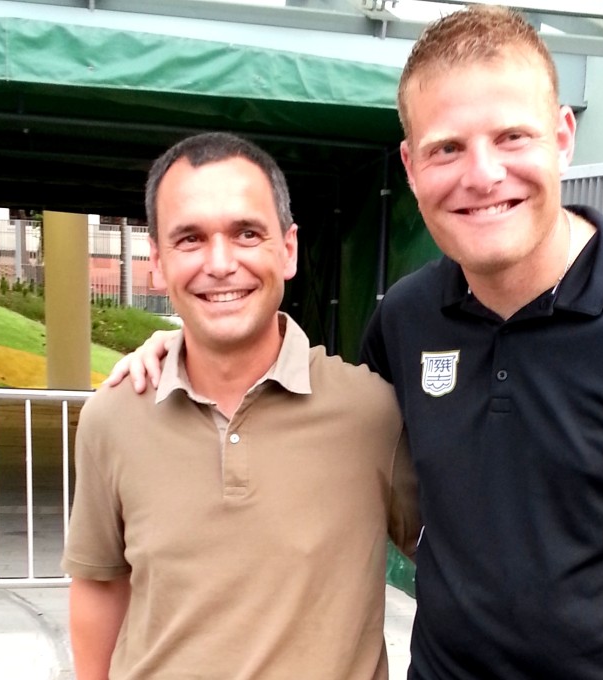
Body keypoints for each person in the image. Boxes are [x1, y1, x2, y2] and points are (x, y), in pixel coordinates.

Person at [109, 6, 603, 680]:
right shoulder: (406, 319)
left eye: (512, 136)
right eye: (447, 148)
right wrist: (190, 353)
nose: (482, 174)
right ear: (410, 165)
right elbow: (320, 423)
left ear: (562, 137)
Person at [63, 131, 420, 680]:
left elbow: (468, 563)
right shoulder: (113, 417)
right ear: (156, 261)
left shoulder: (374, 415)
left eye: (246, 233)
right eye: (190, 239)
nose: (220, 262)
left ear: (289, 249)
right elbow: (99, 583)